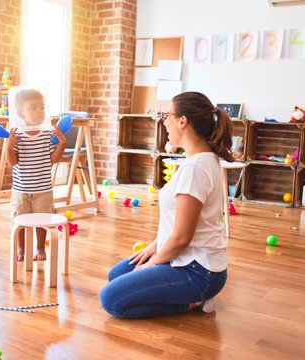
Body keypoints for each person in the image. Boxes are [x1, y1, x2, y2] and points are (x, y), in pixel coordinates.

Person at [99, 91, 234, 319]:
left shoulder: (195, 169)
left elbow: (182, 237)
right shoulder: (197, 161)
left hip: (198, 272)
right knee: (116, 276)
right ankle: (179, 291)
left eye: (167, 115)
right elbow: (178, 224)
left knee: (111, 300)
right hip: (186, 259)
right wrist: (154, 246)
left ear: (183, 121)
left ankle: (192, 301)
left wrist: (152, 263)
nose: (165, 122)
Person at [6, 89, 66, 261]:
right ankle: (20, 248)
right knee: (20, 222)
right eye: (33, 108)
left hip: (43, 189)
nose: (39, 111)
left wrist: (62, 142)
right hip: (21, 190)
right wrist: (9, 146)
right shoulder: (16, 135)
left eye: (41, 107)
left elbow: (52, 159)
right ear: (20, 113)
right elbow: (12, 162)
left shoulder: (47, 134)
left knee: (43, 221)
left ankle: (40, 247)